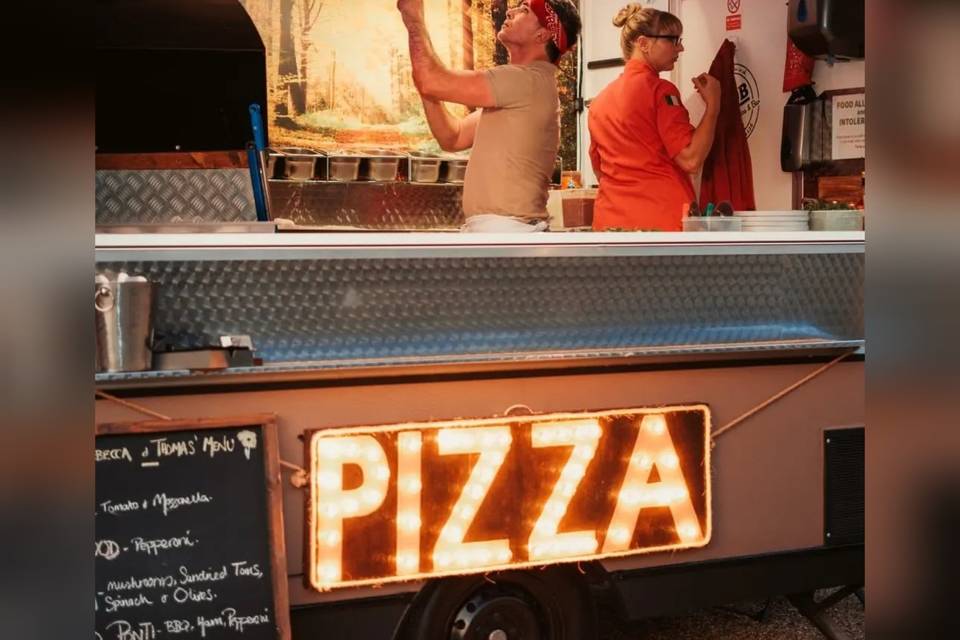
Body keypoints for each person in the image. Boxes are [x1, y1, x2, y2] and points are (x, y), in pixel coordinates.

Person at [397, 0, 581, 232]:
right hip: (503, 230)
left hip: (507, 231)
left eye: (524, 10)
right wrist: (426, 84)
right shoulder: (526, 88)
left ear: (542, 34)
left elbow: (432, 81)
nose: (511, 11)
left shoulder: (525, 81)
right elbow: (452, 137)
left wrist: (414, 19)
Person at [588, 4, 721, 231]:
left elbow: (601, 171)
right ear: (643, 43)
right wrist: (714, 105)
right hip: (660, 226)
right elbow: (691, 159)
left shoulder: (598, 102)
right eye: (673, 40)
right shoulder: (660, 91)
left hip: (609, 225)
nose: (680, 48)